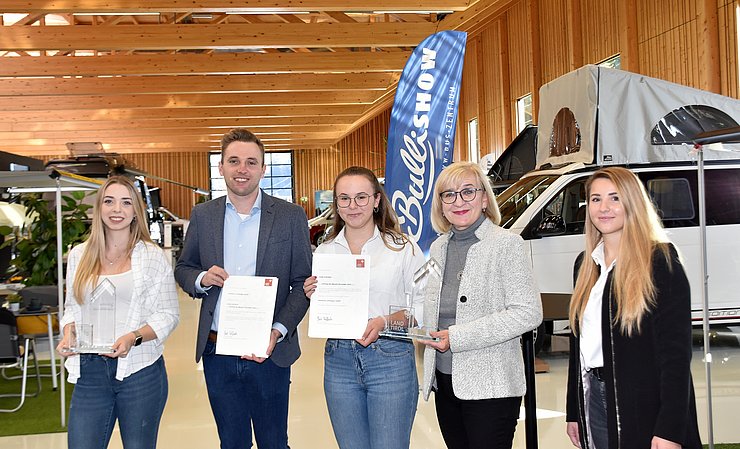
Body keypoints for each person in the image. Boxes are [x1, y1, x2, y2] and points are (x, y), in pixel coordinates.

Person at [174, 128, 312, 449]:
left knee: (273, 442)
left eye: (251, 162)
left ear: (263, 169)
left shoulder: (290, 217)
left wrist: (276, 332)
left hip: (269, 351)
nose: (242, 169)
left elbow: (300, 283)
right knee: (231, 443)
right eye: (233, 161)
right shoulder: (203, 215)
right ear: (221, 167)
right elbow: (183, 269)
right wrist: (202, 278)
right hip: (217, 350)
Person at [565, 167, 702, 449]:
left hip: (645, 404)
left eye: (615, 198)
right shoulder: (586, 264)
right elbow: (578, 345)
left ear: (632, 202)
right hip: (594, 398)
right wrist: (573, 410)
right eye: (595, 199)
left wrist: (670, 429)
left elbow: (676, 356)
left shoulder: (659, 261)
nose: (604, 208)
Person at [419, 161, 542, 449]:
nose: (458, 201)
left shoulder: (507, 244)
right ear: (440, 204)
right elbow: (430, 302)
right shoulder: (438, 247)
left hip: (491, 384)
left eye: (468, 192)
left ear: (485, 198)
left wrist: (458, 337)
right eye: (448, 194)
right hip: (445, 381)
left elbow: (528, 312)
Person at [303, 166, 425, 449]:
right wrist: (314, 296)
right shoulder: (325, 253)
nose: (352, 206)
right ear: (336, 204)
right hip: (339, 361)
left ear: (376, 200)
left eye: (361, 197)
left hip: (390, 358)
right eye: (344, 198)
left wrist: (384, 321)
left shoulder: (403, 248)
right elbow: (328, 312)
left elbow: (422, 306)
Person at [57, 176, 180, 449]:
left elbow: (168, 314)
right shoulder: (79, 255)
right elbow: (71, 309)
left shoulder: (151, 256)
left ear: (136, 210)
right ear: (99, 208)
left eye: (126, 203)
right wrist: (69, 333)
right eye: (109, 201)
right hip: (90, 372)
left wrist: (133, 337)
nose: (117, 210)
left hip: (140, 371)